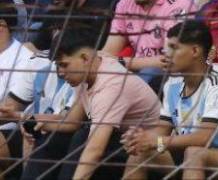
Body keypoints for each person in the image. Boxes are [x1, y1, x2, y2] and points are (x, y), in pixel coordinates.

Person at [121, 20, 218, 179]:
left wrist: (158, 141)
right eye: (167, 47)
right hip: (192, 157)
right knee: (141, 153)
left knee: (195, 153)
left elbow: (203, 138)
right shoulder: (173, 83)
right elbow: (162, 129)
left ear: (195, 51)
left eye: (174, 47)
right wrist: (141, 138)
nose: (166, 53)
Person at [40, 27, 161, 180]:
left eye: (64, 65)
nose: (60, 73)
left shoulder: (111, 85)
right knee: (55, 138)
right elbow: (73, 121)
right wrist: (32, 120)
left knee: (82, 138)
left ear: (85, 58)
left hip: (151, 148)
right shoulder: (90, 67)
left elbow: (95, 150)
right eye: (57, 66)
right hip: (121, 140)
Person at [103, 0, 194, 85]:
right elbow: (109, 52)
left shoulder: (179, 6)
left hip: (172, 77)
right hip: (138, 70)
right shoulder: (126, 2)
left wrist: (122, 62)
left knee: (150, 72)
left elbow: (169, 60)